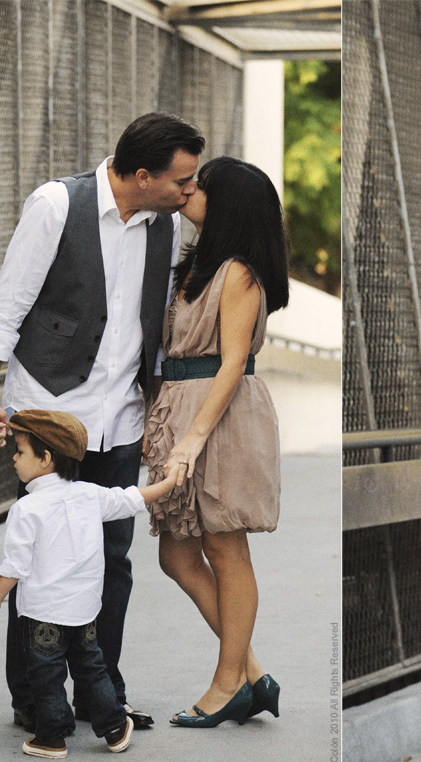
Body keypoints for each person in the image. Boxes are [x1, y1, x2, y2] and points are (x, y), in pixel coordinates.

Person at [0, 112, 205, 733]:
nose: (189, 189)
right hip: (49, 412)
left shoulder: (169, 223)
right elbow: (7, 305)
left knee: (112, 560)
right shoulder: (55, 204)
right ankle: (33, 696)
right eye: (182, 179)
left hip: (119, 417)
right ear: (144, 174)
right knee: (41, 557)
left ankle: (104, 694)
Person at [144, 156, 290, 727]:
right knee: (176, 551)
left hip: (219, 418)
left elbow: (232, 363)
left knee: (226, 549)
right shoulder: (196, 264)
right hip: (179, 408)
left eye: (200, 185)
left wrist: (192, 441)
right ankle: (252, 672)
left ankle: (229, 683)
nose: (188, 190)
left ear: (225, 202)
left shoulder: (238, 272)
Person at [0, 409, 178, 759]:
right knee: (91, 669)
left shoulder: (27, 509)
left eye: (20, 451)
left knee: (46, 674)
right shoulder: (90, 495)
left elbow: (15, 564)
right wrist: (169, 481)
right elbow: (133, 499)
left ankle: (52, 737)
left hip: (43, 613)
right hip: (85, 610)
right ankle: (115, 727)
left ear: (45, 459)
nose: (14, 458)